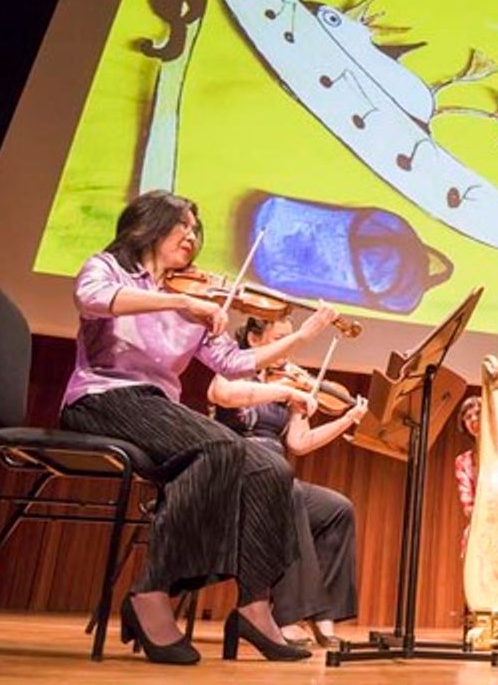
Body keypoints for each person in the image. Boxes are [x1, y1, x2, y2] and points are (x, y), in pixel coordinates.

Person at [60, 189, 335, 664]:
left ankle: (253, 603)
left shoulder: (196, 294)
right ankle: (152, 591)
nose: (191, 236)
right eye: (181, 225)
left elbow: (233, 362)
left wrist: (303, 338)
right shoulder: (109, 269)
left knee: (272, 471)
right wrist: (171, 304)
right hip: (101, 398)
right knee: (220, 448)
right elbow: (93, 299)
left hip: (156, 408)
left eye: (194, 230)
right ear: (148, 224)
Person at [209, 316, 368, 649]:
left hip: (275, 477)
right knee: (287, 488)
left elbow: (300, 442)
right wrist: (282, 389)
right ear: (254, 338)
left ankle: (323, 616)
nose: (288, 348)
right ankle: (287, 615)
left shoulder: (288, 385)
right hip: (234, 475)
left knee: (338, 509)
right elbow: (221, 394)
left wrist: (346, 420)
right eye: (281, 337)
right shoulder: (234, 366)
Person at [453, 395, 482, 556]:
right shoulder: (463, 461)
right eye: (468, 417)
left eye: (478, 413)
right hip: (480, 527)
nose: (473, 419)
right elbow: (468, 506)